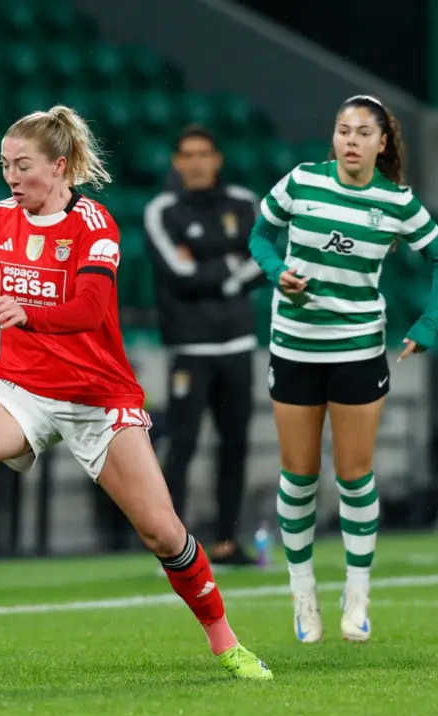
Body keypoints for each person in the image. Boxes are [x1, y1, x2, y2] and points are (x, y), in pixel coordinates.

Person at [0, 105, 272, 681]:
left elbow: (90, 309)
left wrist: (28, 311)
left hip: (100, 398)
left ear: (60, 165)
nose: (11, 178)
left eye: (22, 166)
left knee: (164, 533)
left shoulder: (94, 224)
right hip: (22, 389)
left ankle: (226, 643)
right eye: (4, 166)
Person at [248, 95, 438, 644]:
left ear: (382, 142)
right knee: (298, 477)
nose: (350, 141)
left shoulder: (397, 203)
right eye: (343, 130)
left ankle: (357, 593)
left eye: (363, 133)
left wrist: (429, 324)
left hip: (359, 348)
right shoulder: (301, 181)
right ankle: (302, 595)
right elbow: (258, 236)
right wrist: (276, 272)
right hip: (294, 345)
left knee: (354, 475)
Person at [144, 125, 266, 566]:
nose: (196, 162)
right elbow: (179, 275)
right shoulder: (163, 210)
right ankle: (173, 547)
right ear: (177, 163)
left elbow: (265, 260)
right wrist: (231, 267)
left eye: (204, 154)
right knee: (183, 443)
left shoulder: (244, 203)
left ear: (217, 159)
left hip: (237, 343)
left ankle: (227, 542)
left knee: (235, 443)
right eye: (187, 155)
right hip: (190, 347)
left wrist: (208, 265)